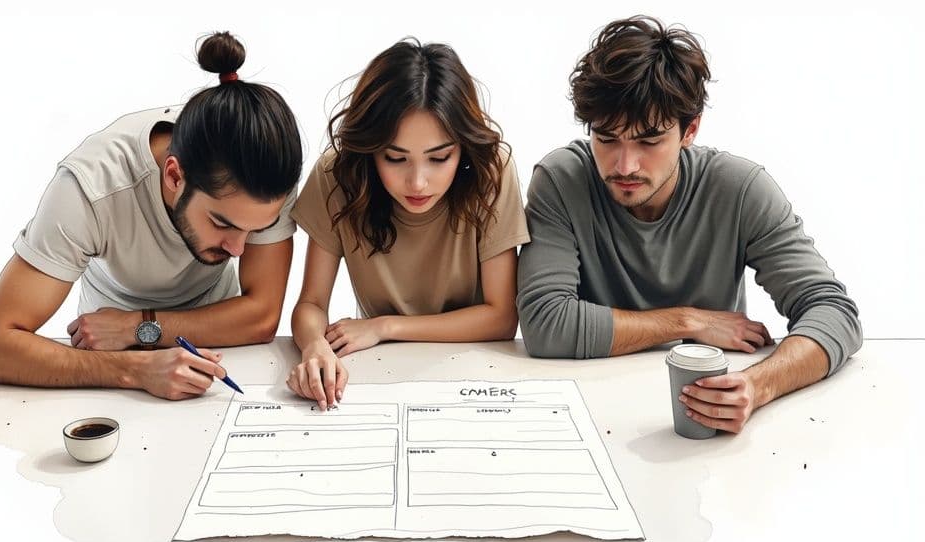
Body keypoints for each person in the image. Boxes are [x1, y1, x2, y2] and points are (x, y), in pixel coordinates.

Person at [517, 16, 862, 434]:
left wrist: (758, 386)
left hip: (710, 422)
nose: (625, 165)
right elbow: (544, 326)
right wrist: (689, 322)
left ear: (689, 130)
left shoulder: (739, 189)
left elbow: (832, 311)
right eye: (606, 138)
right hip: (589, 414)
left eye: (648, 141)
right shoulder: (562, 179)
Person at [0, 32, 303, 400]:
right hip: (105, 348)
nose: (239, 248)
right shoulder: (91, 187)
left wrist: (141, 327)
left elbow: (261, 316)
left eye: (256, 229)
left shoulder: (268, 177)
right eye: (222, 224)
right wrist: (136, 369)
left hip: (220, 343)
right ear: (175, 176)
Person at [287, 39, 530, 410]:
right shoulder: (338, 175)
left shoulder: (491, 172)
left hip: (477, 369)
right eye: (395, 158)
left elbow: (501, 317)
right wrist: (314, 346)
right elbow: (311, 303)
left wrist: (385, 327)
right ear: (370, 151)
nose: (418, 183)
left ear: (463, 148)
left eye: (439, 158)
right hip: (379, 374)